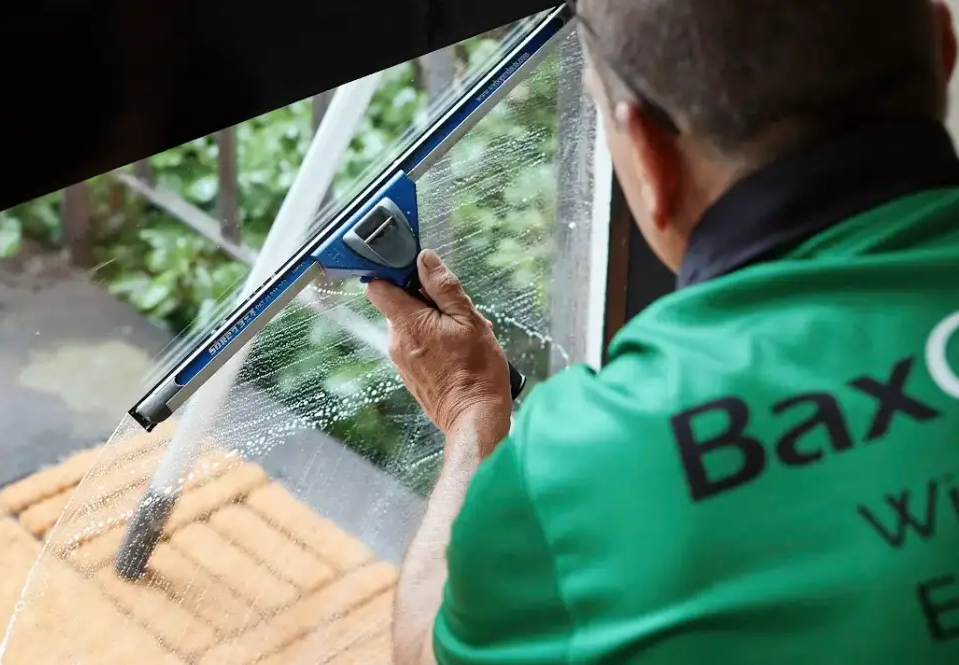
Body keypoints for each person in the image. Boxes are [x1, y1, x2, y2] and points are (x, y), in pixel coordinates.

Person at [364, 0, 959, 662]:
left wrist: (472, 409)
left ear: (648, 155)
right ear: (943, 44)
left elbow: (425, 652)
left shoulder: (584, 466)